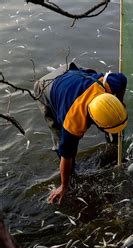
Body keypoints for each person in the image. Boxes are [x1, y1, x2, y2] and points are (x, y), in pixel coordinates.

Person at [34, 63, 128, 205]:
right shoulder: (73, 121)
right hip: (46, 86)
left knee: (113, 123)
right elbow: (66, 156)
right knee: (62, 143)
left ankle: (113, 149)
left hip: (69, 71)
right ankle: (70, 175)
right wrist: (64, 186)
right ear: (94, 122)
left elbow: (123, 79)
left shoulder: (108, 84)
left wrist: (119, 101)